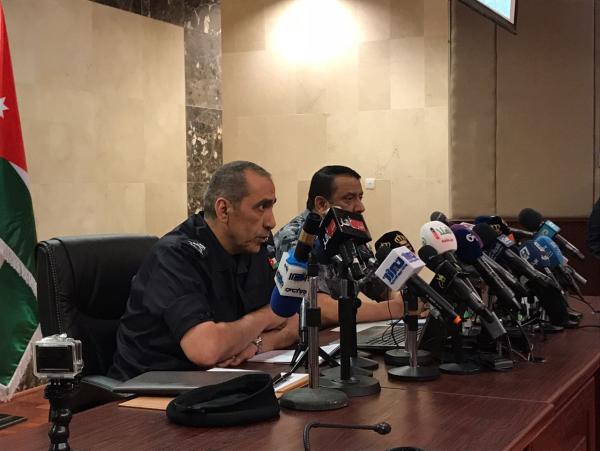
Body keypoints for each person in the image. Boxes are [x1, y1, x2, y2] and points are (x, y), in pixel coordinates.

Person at [109, 161, 298, 381]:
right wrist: (267, 316)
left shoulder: (256, 245)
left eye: (272, 206)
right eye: (261, 207)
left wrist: (258, 344)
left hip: (221, 379)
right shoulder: (176, 255)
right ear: (223, 210)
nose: (271, 222)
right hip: (151, 389)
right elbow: (205, 349)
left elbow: (293, 320)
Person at [273, 165, 404, 326]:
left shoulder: (349, 232)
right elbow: (320, 307)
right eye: (349, 199)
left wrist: (403, 300)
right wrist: (396, 309)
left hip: (343, 332)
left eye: (360, 197)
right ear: (321, 204)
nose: (360, 207)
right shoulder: (294, 237)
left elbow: (379, 287)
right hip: (306, 336)